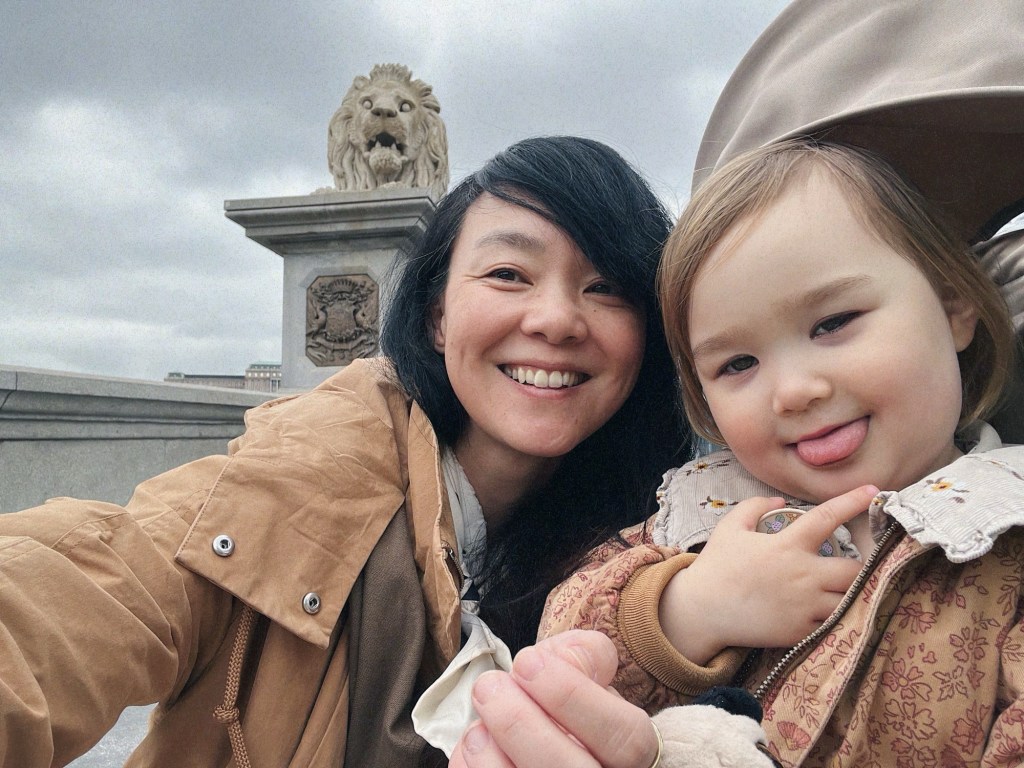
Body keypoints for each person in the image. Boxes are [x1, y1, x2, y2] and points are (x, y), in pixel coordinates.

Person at [0, 135, 691, 767]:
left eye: (606, 287)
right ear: (437, 317)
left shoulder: (674, 536)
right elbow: (82, 593)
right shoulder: (279, 496)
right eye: (509, 274)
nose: (557, 319)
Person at [541, 137, 1024, 765]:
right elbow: (557, 645)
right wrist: (691, 609)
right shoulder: (702, 513)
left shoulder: (1008, 532)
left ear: (954, 306)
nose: (793, 392)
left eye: (833, 323)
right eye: (738, 363)